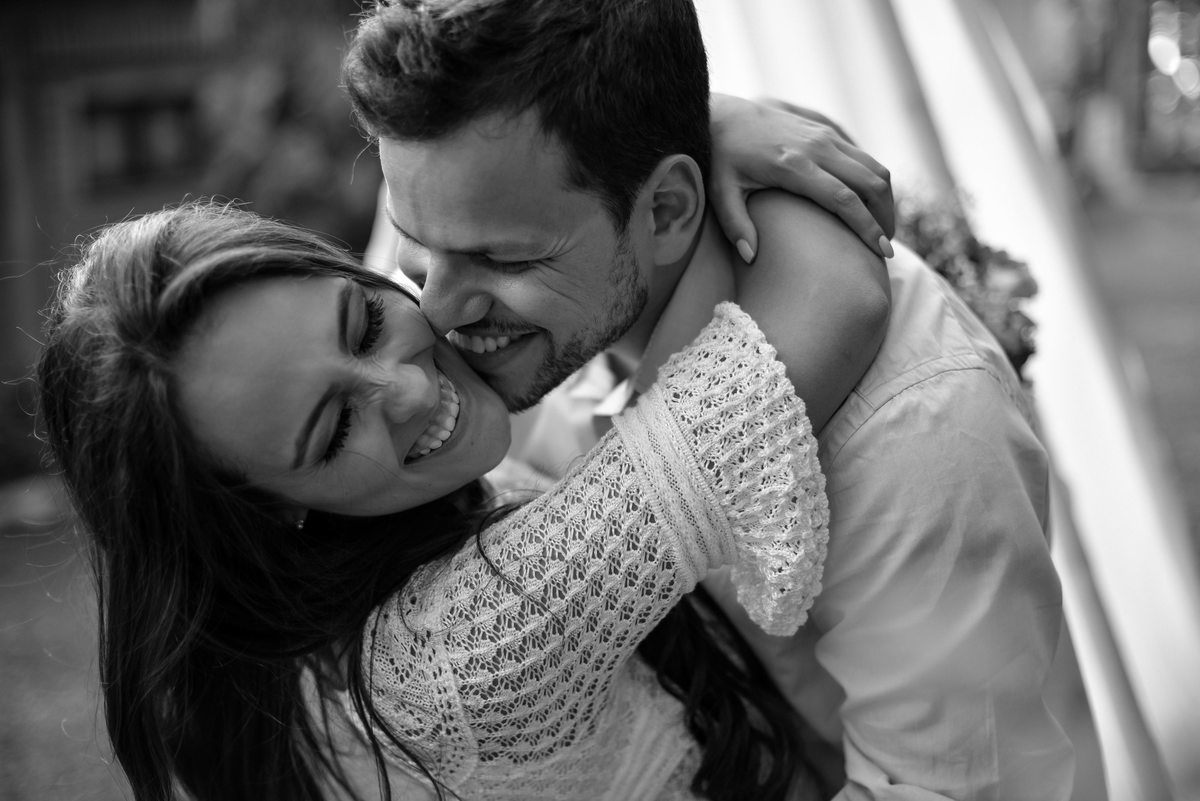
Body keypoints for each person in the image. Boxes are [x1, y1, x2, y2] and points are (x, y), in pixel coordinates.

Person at [36, 93, 891, 800]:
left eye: (364, 320)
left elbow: (445, 156)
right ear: (271, 508)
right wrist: (690, 138)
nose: (408, 389)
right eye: (334, 429)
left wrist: (660, 125)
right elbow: (835, 298)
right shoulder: (474, 648)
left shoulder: (331, 571)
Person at [341, 0, 1079, 798]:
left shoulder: (915, 432)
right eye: (416, 241)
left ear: (666, 210)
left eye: (499, 256)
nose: (440, 310)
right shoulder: (445, 348)